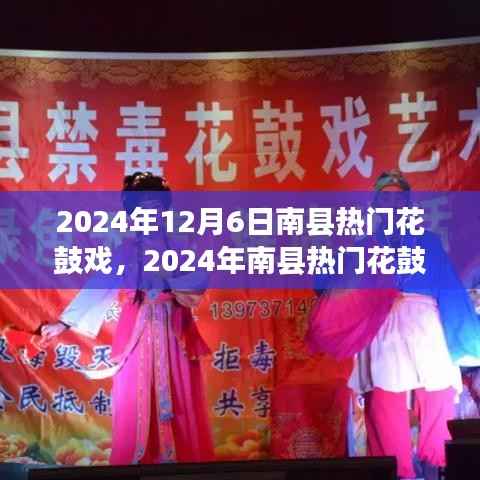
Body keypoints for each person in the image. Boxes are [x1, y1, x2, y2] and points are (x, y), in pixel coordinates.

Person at [306, 170, 480, 479]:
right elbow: (328, 283)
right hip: (382, 326)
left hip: (424, 323)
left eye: (399, 200)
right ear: (375, 205)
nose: (393, 206)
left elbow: (450, 291)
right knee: (384, 399)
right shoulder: (363, 247)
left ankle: (441, 464)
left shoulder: (428, 243)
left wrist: (467, 338)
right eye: (385, 199)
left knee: (438, 391)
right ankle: (395, 471)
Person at [41, 172, 214, 465]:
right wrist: (63, 323)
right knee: (134, 395)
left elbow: (197, 282)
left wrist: (171, 279)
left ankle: (184, 461)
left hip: (175, 331)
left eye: (155, 209)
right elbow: (99, 285)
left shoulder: (180, 248)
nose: (149, 217)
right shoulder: (125, 252)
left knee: (180, 393)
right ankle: (137, 461)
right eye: (142, 211)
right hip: (137, 331)